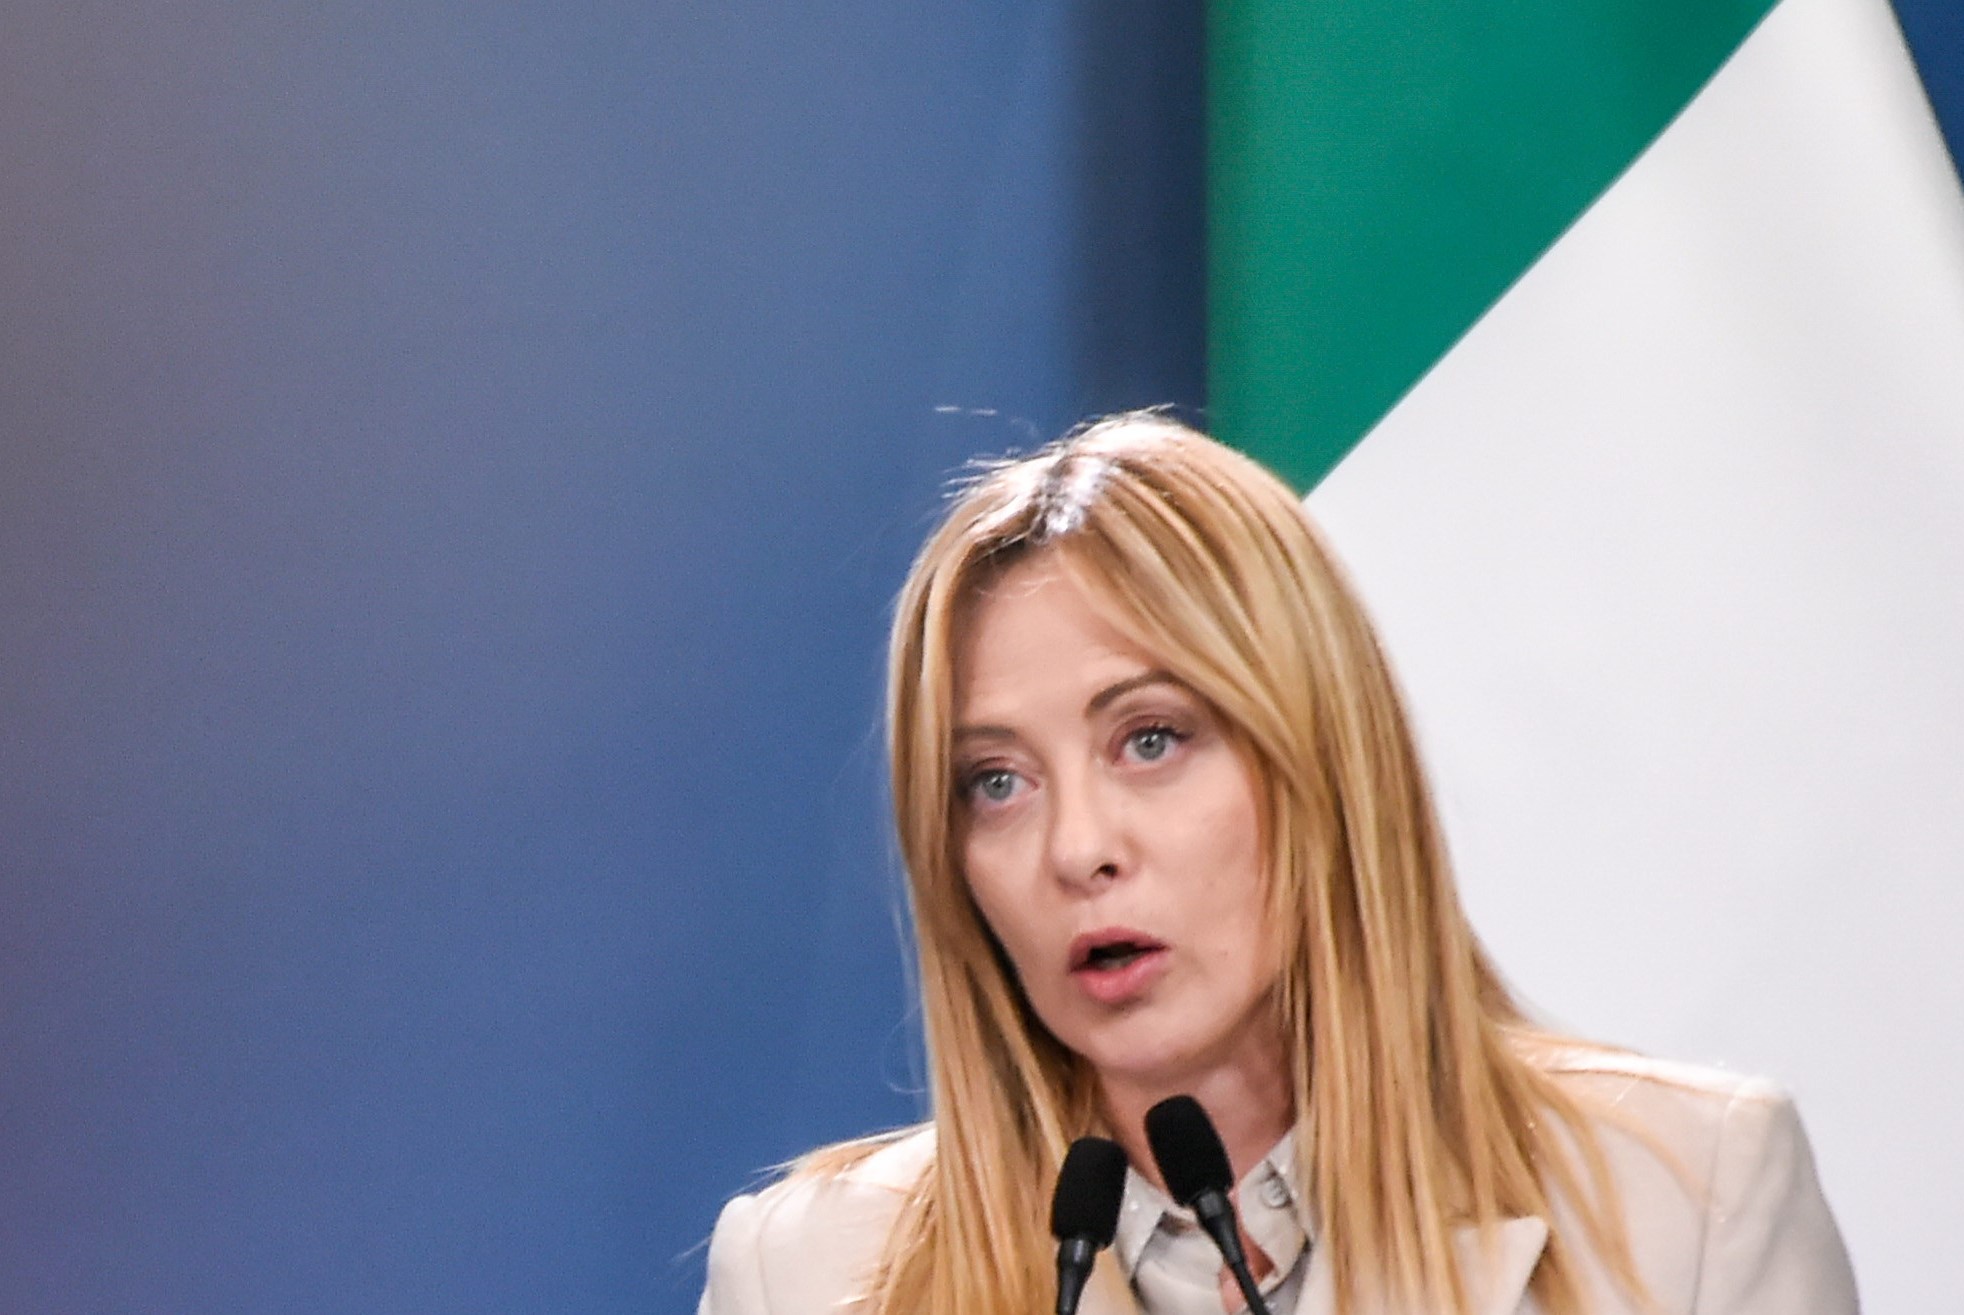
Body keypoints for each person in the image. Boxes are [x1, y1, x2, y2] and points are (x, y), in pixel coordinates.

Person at [697, 413, 1857, 1315]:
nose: (1077, 849)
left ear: (1321, 758)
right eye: (994, 782)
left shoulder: (1687, 1200)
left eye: (1150, 739)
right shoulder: (810, 1275)